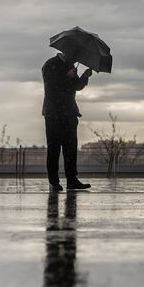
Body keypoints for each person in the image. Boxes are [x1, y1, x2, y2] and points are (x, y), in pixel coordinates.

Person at [42, 52, 92, 191]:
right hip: (53, 113)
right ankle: (54, 182)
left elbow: (76, 86)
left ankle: (72, 180)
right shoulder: (50, 64)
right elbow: (51, 86)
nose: (76, 58)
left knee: (70, 148)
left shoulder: (70, 65)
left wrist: (84, 77)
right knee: (54, 148)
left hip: (69, 113)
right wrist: (67, 76)